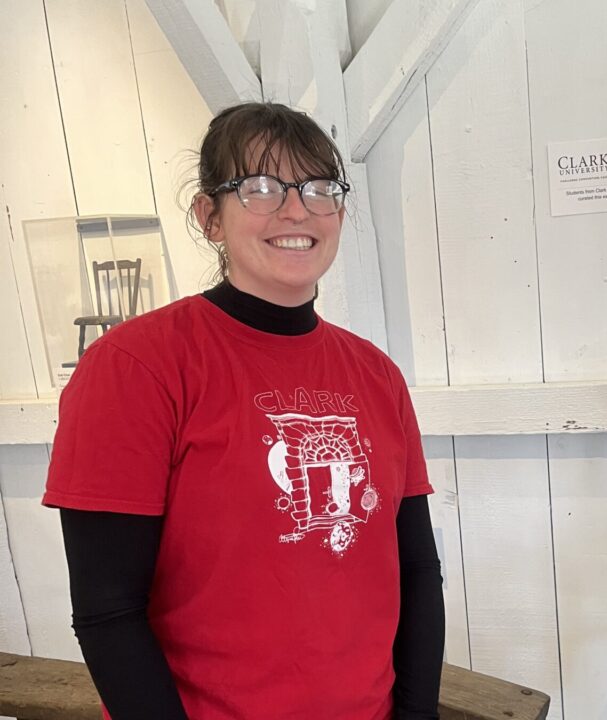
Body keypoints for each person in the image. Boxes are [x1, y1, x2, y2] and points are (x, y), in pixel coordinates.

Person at [43, 102, 445, 719]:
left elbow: (416, 569)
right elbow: (108, 611)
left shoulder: (377, 375)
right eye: (259, 187)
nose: (295, 209)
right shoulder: (135, 366)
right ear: (210, 216)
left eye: (317, 188)